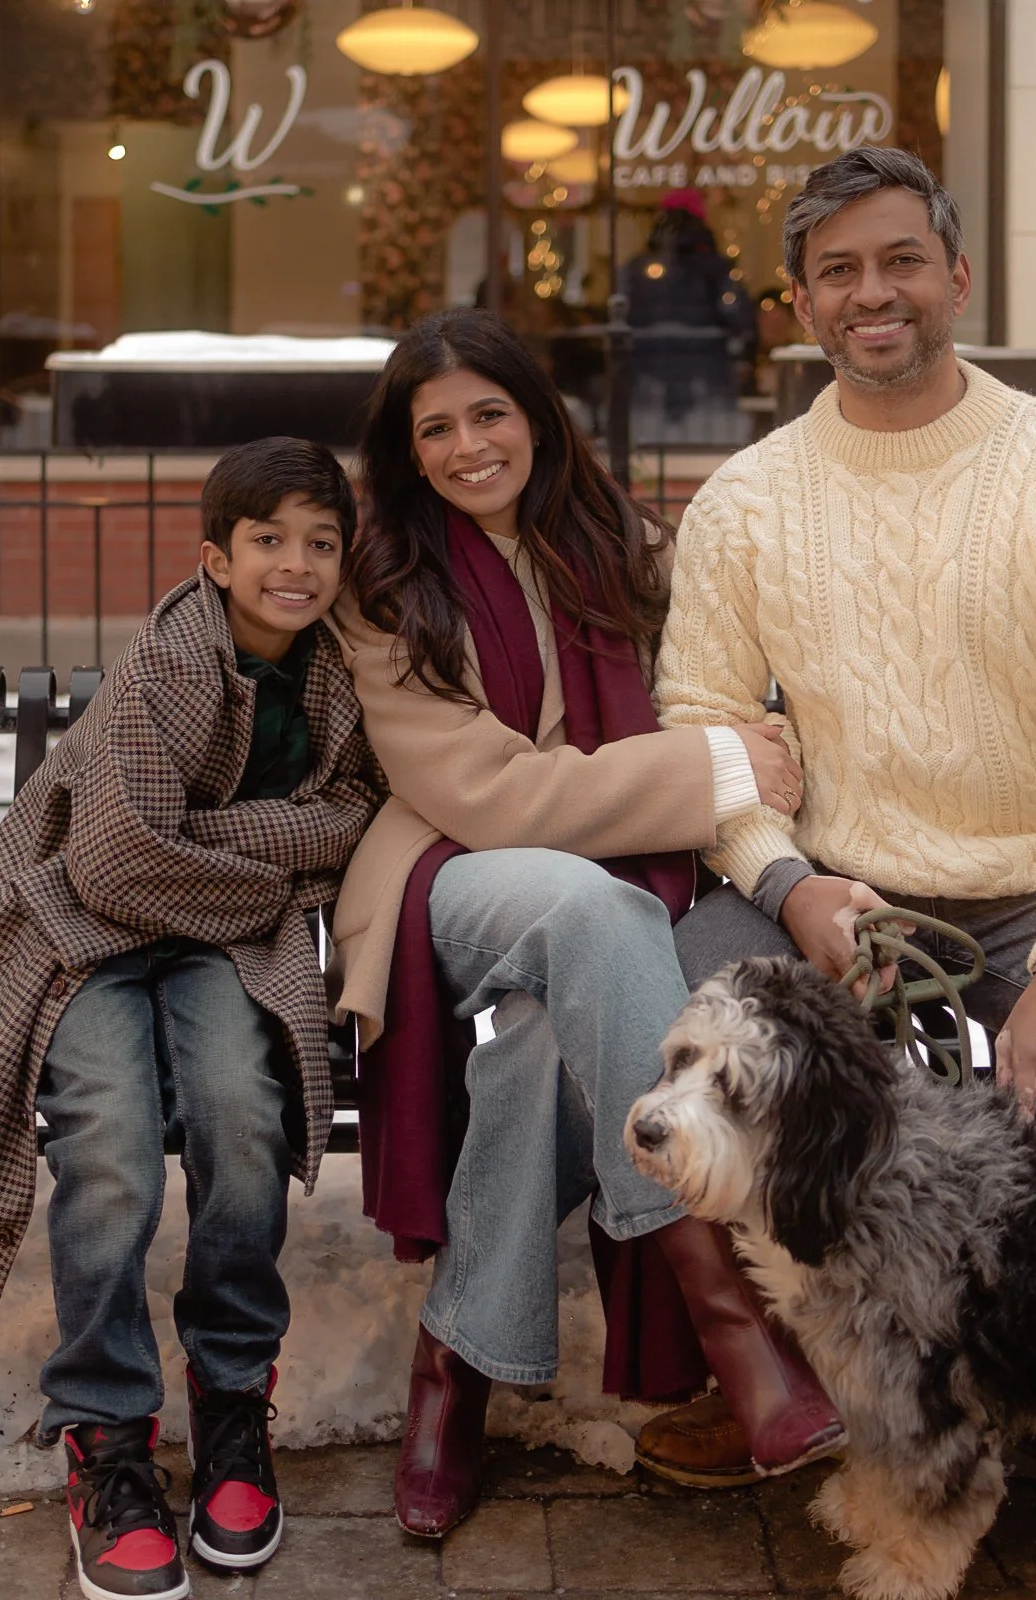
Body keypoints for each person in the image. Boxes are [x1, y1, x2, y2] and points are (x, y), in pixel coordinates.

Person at [656, 147, 1036, 1553]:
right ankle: (801, 1374)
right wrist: (790, 884)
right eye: (838, 272)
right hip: (839, 893)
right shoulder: (746, 504)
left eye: (899, 262)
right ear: (800, 302)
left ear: (955, 277)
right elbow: (702, 731)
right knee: (684, 1010)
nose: (871, 295)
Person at [328, 307, 842, 1540]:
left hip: (605, 892)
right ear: (408, 451)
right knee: (586, 901)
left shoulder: (618, 546)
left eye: (488, 414)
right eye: (435, 428)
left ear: (537, 415)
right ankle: (727, 1313)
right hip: (448, 877)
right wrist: (715, 771)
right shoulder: (383, 584)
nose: (466, 447)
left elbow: (725, 667)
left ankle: (452, 1370)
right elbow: (492, 795)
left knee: (552, 1036)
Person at [0, 439, 383, 1600]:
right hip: (82, 936)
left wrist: (213, 850)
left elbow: (356, 813)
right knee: (106, 1146)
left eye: (320, 542)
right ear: (216, 558)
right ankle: (105, 1431)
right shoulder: (164, 667)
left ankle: (234, 1396)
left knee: (243, 1113)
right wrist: (268, 858)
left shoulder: (344, 676)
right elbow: (110, 861)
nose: (295, 566)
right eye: (268, 542)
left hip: (224, 939)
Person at [614, 189, 756, 443]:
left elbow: (619, 315)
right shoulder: (715, 267)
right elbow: (737, 315)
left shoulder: (638, 267)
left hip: (648, 375)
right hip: (704, 376)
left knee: (648, 442)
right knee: (703, 444)